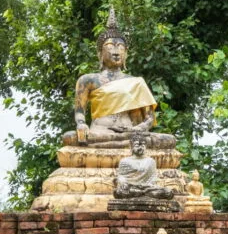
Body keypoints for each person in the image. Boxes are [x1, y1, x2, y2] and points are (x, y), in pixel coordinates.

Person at [61, 8, 176, 149]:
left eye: (120, 47)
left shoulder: (135, 82)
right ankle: (125, 146)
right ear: (100, 54)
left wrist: (137, 130)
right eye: (110, 46)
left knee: (169, 140)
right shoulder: (88, 80)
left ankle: (126, 144)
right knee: (69, 138)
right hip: (100, 133)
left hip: (132, 134)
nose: (116, 51)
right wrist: (81, 124)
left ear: (126, 53)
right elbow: (79, 112)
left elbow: (149, 119)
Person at [113, 132, 175, 199]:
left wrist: (148, 187)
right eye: (137, 145)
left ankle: (142, 194)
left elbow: (153, 180)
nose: (140, 147)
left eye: (143, 145)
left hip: (148, 188)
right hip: (131, 188)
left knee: (167, 192)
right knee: (119, 192)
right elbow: (121, 177)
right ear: (131, 146)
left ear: (146, 147)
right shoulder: (125, 161)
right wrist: (122, 182)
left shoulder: (151, 161)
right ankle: (142, 194)